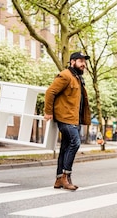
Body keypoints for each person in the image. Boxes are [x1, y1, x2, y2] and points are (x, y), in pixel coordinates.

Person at [44, 51, 91, 191]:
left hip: (75, 118)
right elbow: (50, 92)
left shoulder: (77, 78)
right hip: (66, 118)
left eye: (84, 61)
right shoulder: (65, 75)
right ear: (72, 62)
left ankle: (59, 179)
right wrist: (48, 112)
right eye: (80, 61)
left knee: (65, 147)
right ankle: (66, 176)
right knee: (75, 143)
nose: (84, 64)